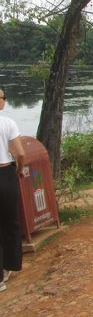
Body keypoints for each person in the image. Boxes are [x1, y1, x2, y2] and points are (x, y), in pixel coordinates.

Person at [0, 88, 26, 294]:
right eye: (3, 98)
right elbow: (21, 152)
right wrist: (19, 169)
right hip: (5, 173)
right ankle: (9, 266)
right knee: (10, 221)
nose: (5, 101)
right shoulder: (7, 123)